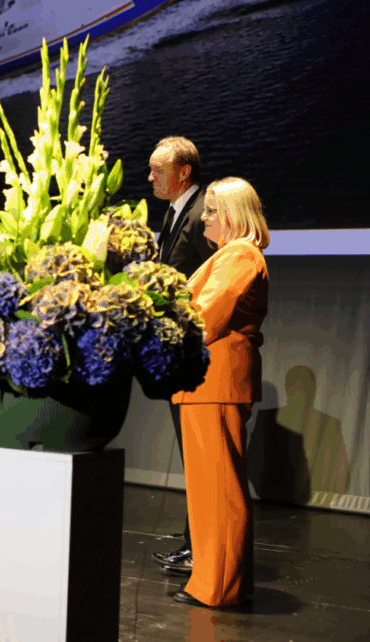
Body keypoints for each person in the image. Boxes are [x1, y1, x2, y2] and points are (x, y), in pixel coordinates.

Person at [169, 177, 269, 607]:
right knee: (210, 487)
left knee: (218, 488)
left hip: (217, 380)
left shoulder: (240, 254)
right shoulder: (232, 254)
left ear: (233, 214)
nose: (204, 218)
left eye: (211, 210)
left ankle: (219, 587)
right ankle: (218, 582)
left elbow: (206, 316)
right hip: (209, 382)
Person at [148, 137, 217, 574]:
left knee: (199, 457)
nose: (150, 178)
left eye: (158, 170)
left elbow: (213, 281)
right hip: (179, 353)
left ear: (183, 172)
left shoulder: (200, 215)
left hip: (196, 354)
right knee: (191, 454)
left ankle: (201, 548)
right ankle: (195, 542)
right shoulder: (175, 212)